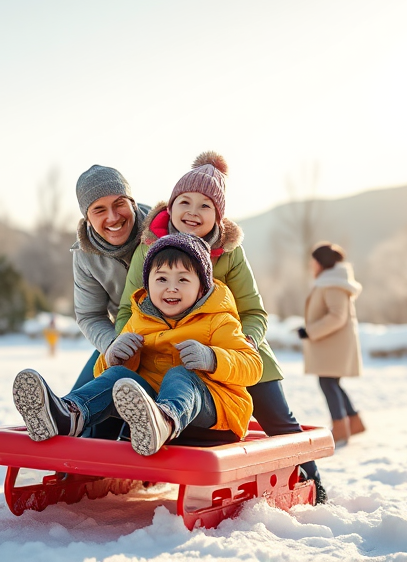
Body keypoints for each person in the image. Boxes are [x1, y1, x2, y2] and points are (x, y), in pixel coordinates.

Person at [111, 151, 326, 501]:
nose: (192, 213)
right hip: (170, 350)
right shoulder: (149, 247)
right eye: (185, 202)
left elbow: (255, 312)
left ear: (218, 216)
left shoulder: (229, 252)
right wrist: (128, 342)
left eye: (205, 206)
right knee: (116, 383)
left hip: (230, 347)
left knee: (278, 419)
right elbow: (127, 310)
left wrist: (239, 348)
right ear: (171, 205)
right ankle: (103, 456)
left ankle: (313, 484)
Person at [12, 234, 262, 455]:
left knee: (181, 375)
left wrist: (212, 358)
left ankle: (164, 421)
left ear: (201, 288)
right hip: (150, 416)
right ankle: (69, 415)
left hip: (214, 418)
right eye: (161, 279)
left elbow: (253, 366)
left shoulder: (217, 320)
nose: (171, 287)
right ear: (149, 283)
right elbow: (106, 378)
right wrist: (113, 357)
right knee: (119, 375)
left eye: (183, 280)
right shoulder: (140, 318)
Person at [68, 165, 151, 437]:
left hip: (173, 337)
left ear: (132, 202)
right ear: (87, 217)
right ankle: (74, 459)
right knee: (81, 404)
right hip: (123, 338)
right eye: (99, 209)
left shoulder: (160, 228)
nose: (113, 217)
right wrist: (113, 344)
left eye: (119, 204)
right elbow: (90, 314)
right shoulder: (85, 253)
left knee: (124, 405)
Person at [297, 242, 365, 446]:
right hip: (332, 343)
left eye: (313, 260)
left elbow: (337, 316)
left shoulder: (333, 283)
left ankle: (341, 428)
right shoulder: (330, 281)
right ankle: (353, 422)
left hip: (333, 344)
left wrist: (310, 331)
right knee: (331, 383)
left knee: (327, 382)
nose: (311, 264)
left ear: (321, 262)